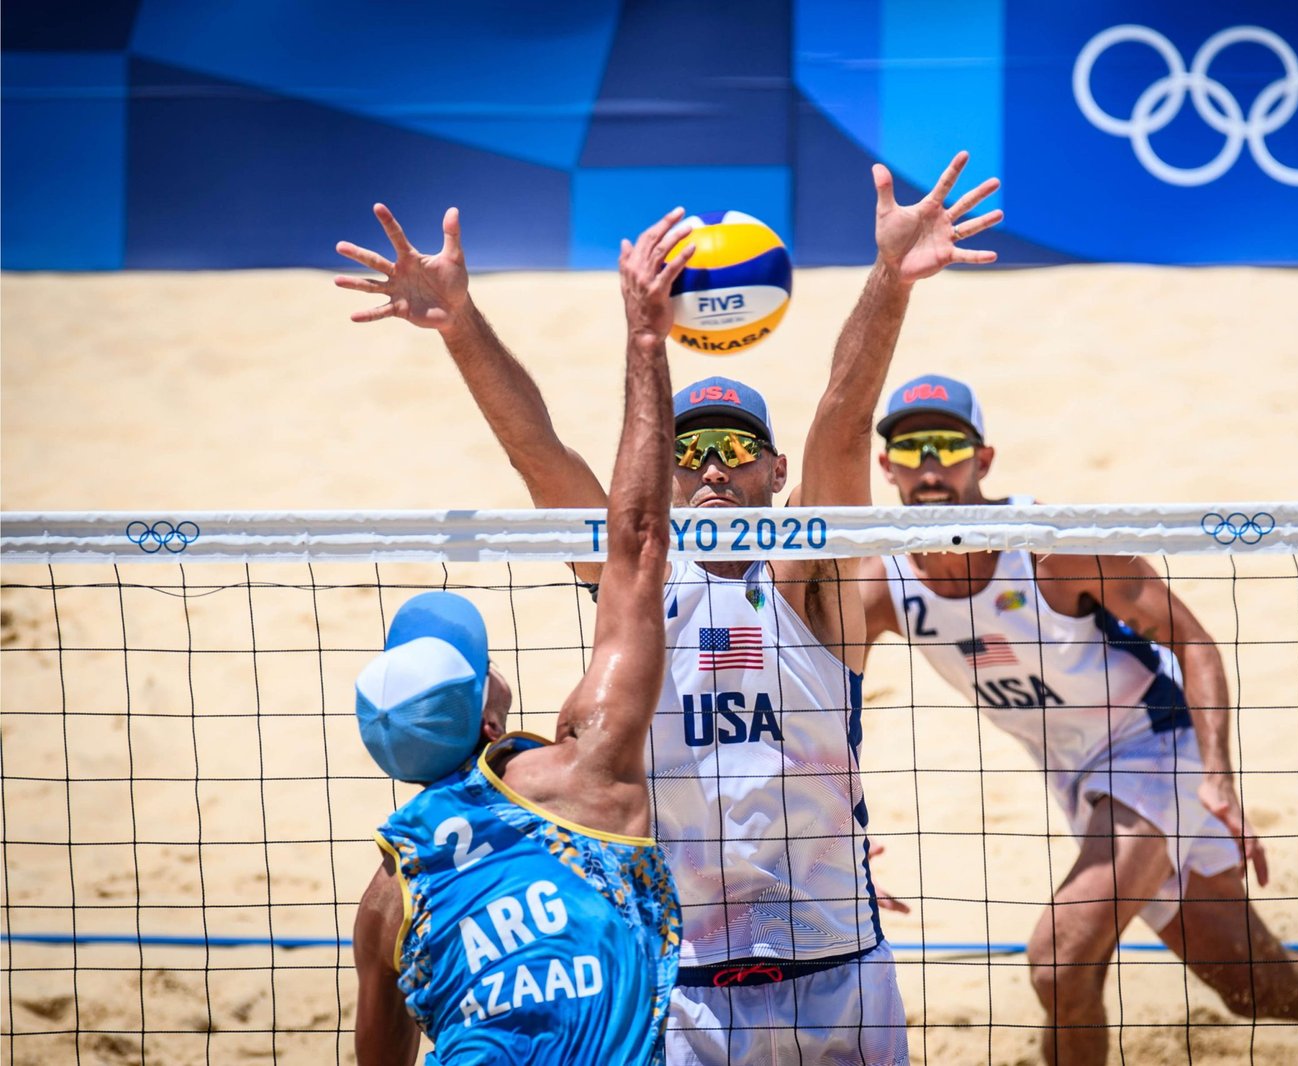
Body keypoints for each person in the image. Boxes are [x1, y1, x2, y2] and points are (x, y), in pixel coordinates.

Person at [335, 153, 1002, 1065]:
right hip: (682, 986)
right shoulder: (636, 593)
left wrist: (889, 279)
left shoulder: (816, 587)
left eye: (737, 448)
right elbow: (542, 455)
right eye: (691, 452)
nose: (715, 467)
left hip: (839, 971)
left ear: (776, 475)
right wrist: (462, 327)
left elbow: (843, 421)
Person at [860, 374, 1298, 1066]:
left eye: (948, 445)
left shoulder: (1052, 550)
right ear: (885, 465)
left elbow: (1195, 641)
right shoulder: (879, 579)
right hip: (1083, 780)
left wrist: (1217, 775)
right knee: (1256, 985)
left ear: (984, 459)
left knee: (1059, 961)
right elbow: (819, 694)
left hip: (1160, 749)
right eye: (911, 449)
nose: (931, 465)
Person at [348, 216, 692, 1065]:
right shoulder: (584, 774)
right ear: (490, 722)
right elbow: (641, 540)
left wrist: (459, 325)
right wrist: (647, 341)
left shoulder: (387, 899)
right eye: (481, 666)